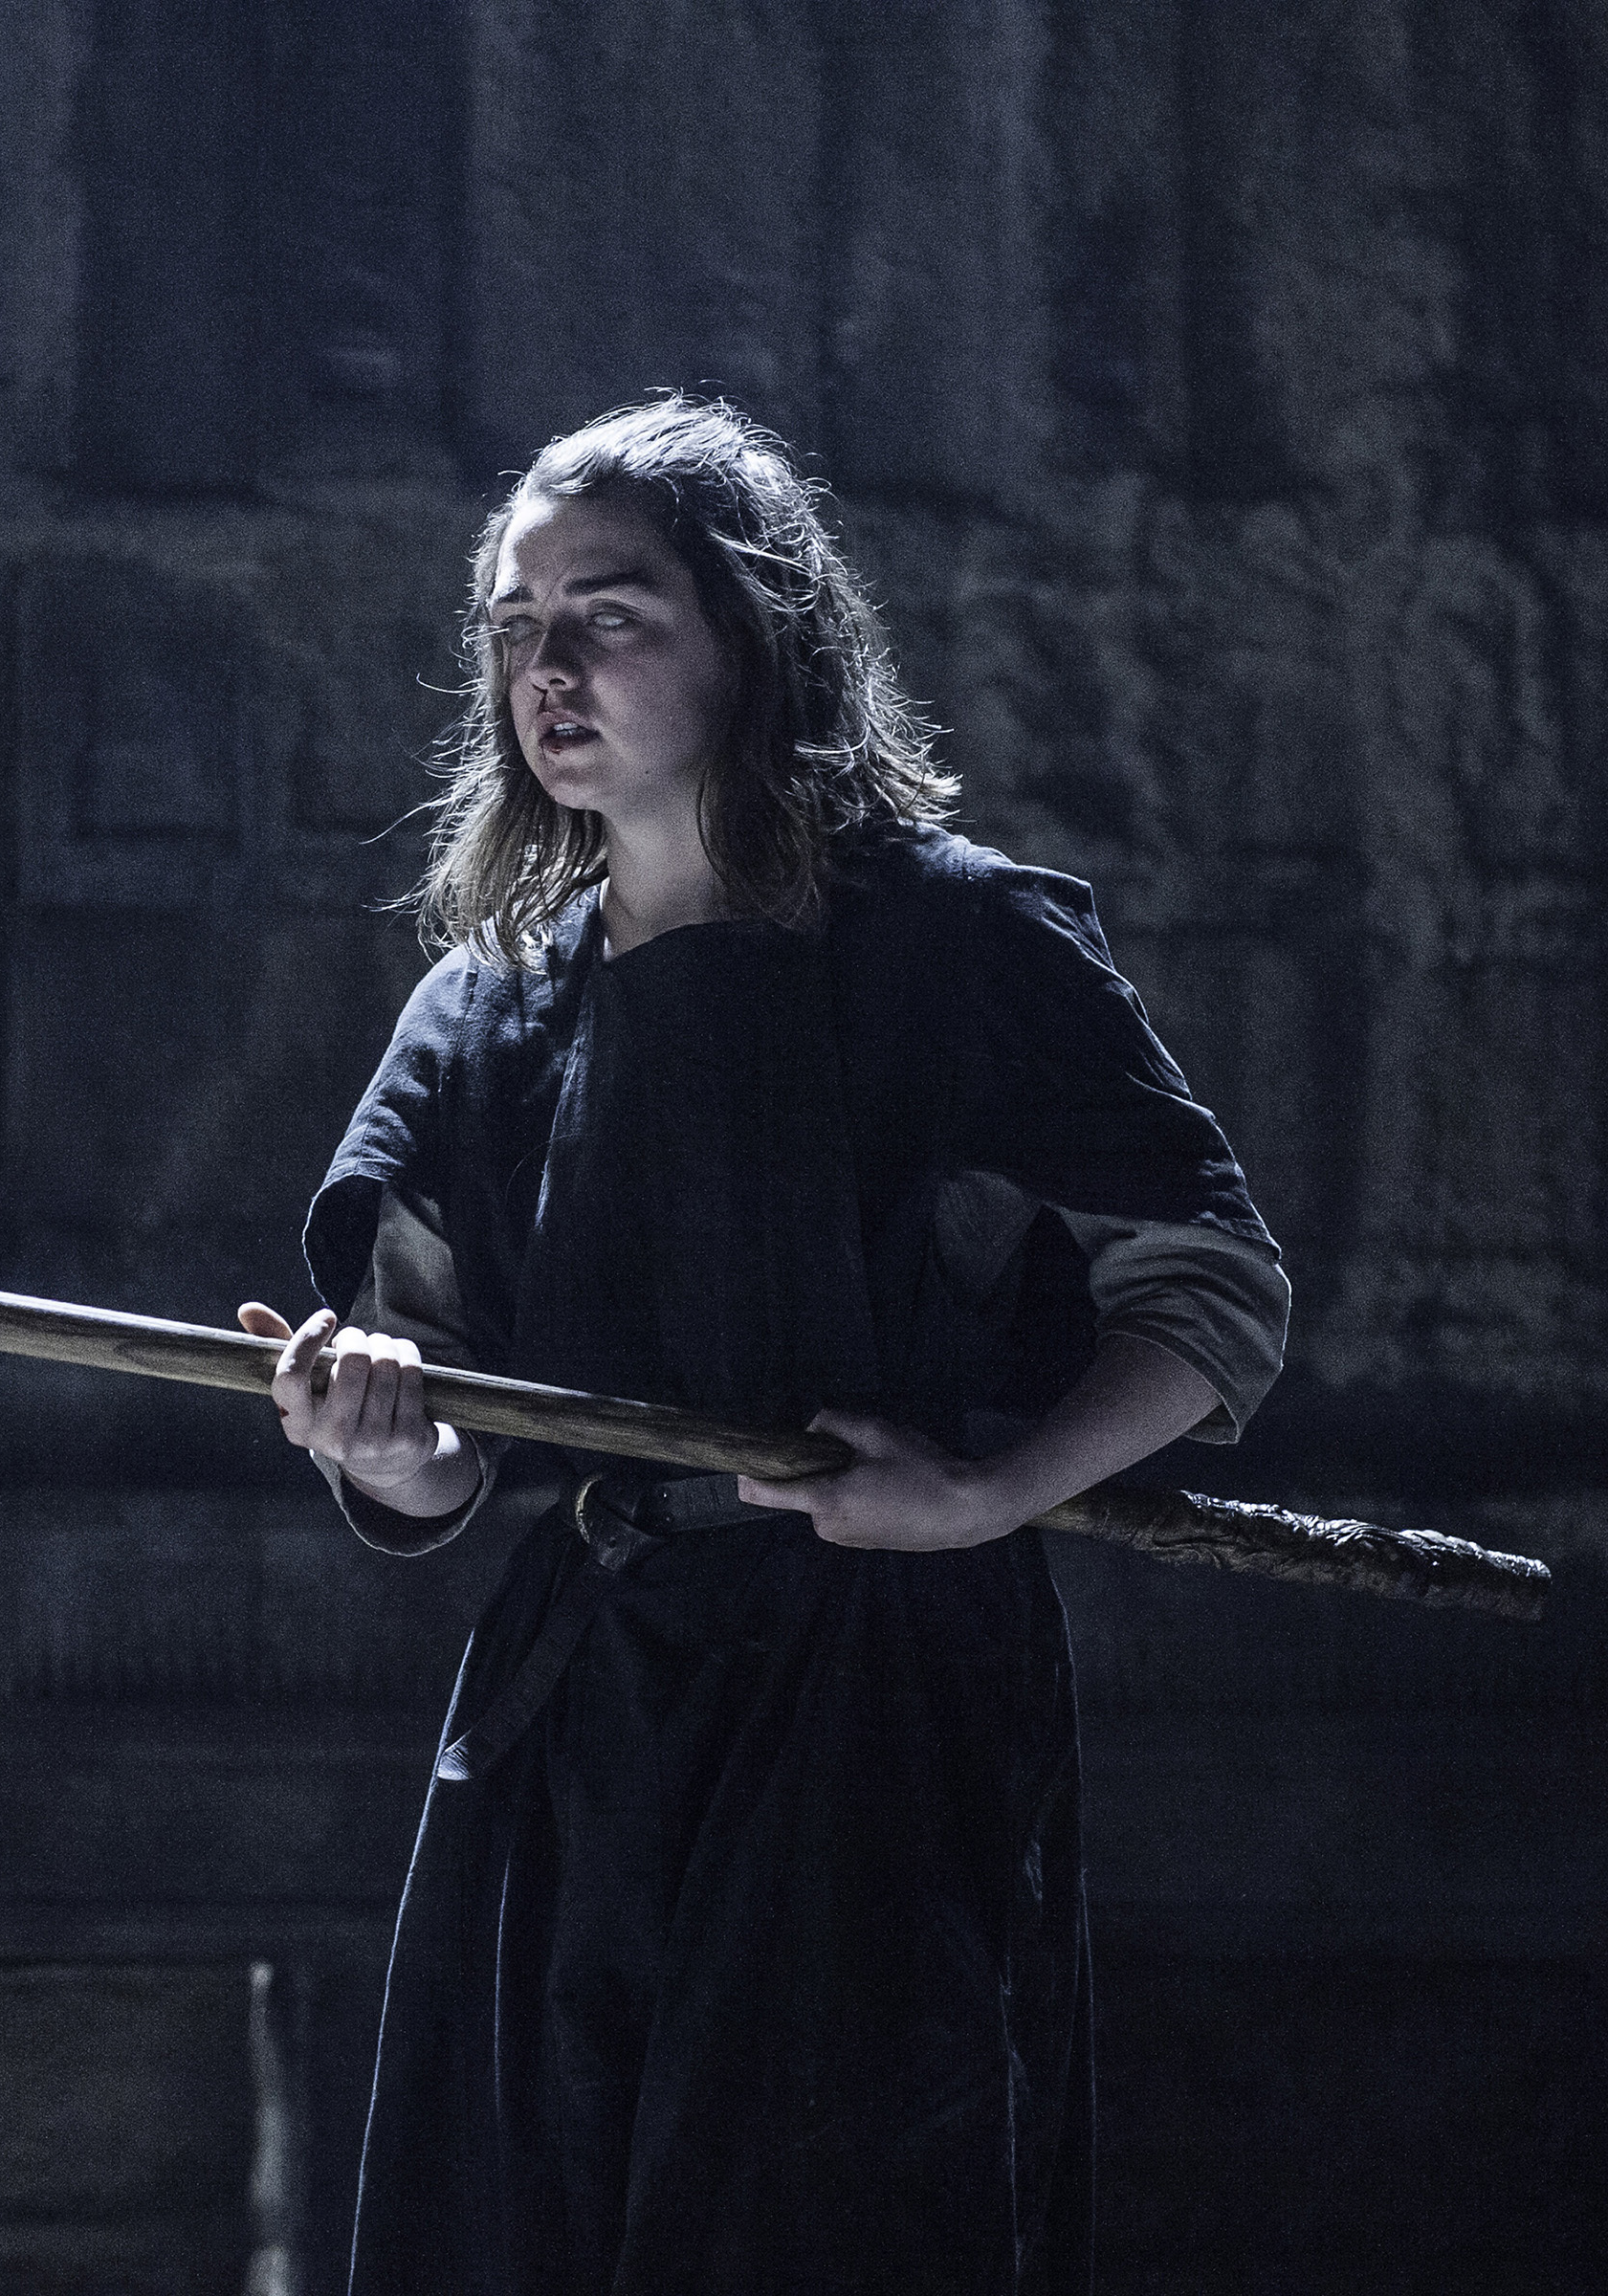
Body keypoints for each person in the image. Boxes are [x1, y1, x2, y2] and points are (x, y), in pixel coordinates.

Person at [232, 396, 1289, 2294]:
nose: (548, 670)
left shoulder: (962, 945)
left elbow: (1210, 1287)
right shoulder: (484, 1011)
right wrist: (382, 1438)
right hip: (579, 1713)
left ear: (752, 630)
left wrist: (988, 1492)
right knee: (527, 2226)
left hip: (873, 1700)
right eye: (516, 625)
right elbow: (442, 1422)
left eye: (608, 612)